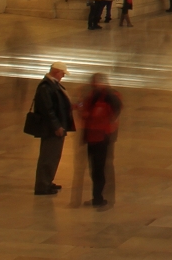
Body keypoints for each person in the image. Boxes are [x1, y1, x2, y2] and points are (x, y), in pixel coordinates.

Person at [76, 74, 122, 208]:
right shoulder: (92, 95)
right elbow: (83, 108)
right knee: (95, 168)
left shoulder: (110, 96)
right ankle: (97, 196)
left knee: (99, 168)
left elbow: (113, 114)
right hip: (94, 137)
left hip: (101, 137)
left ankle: (98, 197)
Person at [28, 62, 74, 195]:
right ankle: (42, 185)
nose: (63, 76)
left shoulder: (52, 85)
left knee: (53, 156)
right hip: (51, 129)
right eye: (62, 73)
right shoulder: (45, 87)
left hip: (56, 127)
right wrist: (56, 126)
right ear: (56, 72)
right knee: (48, 157)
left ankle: (48, 181)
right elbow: (48, 110)